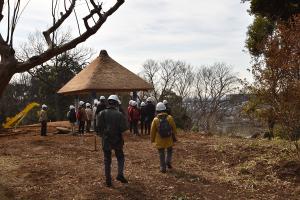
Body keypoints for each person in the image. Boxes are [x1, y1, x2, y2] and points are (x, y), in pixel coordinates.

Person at [97, 94, 129, 187]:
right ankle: (120, 175)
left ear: (108, 102)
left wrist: (104, 134)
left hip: (106, 139)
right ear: (116, 103)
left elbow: (98, 128)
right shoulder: (119, 114)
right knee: (120, 157)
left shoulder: (102, 113)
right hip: (117, 140)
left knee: (107, 160)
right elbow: (124, 128)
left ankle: (108, 180)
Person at [150, 102, 177, 173]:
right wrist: (174, 135)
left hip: (159, 140)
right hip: (169, 139)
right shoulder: (170, 118)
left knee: (161, 153)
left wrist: (152, 139)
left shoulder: (155, 120)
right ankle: (168, 161)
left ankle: (163, 167)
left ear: (157, 111)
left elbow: (152, 131)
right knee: (169, 150)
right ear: (164, 110)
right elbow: (174, 128)